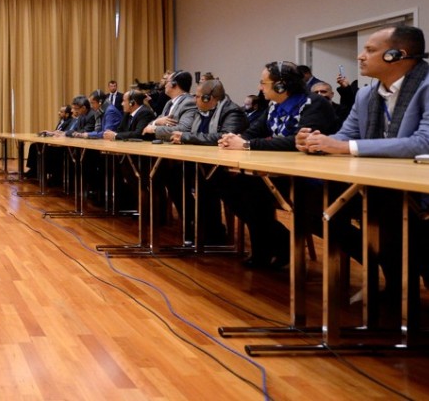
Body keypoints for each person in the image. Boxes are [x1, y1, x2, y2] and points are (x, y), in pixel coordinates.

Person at [297, 26, 429, 289]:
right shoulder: (366, 94)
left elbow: (423, 143)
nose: (360, 56)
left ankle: (405, 283)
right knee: (307, 200)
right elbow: (345, 135)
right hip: (376, 186)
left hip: (416, 189)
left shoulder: (425, 87)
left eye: (370, 50)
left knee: (391, 213)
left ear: (395, 55)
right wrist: (315, 142)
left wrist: (343, 147)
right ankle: (387, 271)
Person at [216, 61, 336, 269]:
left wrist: (246, 144)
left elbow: (298, 141)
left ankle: (275, 247)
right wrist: (232, 138)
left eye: (264, 83)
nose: (260, 87)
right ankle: (276, 245)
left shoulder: (313, 104)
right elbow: (254, 131)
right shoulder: (273, 106)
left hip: (314, 177)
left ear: (281, 86)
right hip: (280, 173)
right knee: (228, 185)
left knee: (251, 194)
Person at [169, 80, 249, 243]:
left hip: (227, 167)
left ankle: (212, 231)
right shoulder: (200, 112)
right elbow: (195, 134)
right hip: (204, 162)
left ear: (208, 98)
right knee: (171, 175)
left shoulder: (233, 112)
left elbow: (223, 137)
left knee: (208, 182)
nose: (194, 100)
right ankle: (195, 223)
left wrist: (186, 137)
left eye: (197, 97)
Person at [143, 70, 198, 142]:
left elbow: (184, 129)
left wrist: (155, 129)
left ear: (174, 84)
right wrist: (156, 122)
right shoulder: (169, 103)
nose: (165, 85)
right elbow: (149, 126)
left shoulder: (189, 102)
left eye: (167, 82)